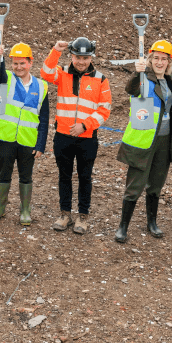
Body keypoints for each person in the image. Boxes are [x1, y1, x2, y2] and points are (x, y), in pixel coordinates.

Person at [42, 37, 112, 234]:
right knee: (64, 176)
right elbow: (46, 73)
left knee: (85, 177)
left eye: (85, 57)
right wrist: (55, 50)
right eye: (77, 57)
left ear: (91, 57)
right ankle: (65, 214)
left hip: (87, 138)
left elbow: (104, 109)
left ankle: (82, 215)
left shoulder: (100, 79)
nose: (81, 61)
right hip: (63, 136)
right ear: (71, 55)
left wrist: (85, 125)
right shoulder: (62, 73)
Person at [115, 40, 172, 243]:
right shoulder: (144, 79)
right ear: (150, 59)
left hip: (165, 141)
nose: (160, 62)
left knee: (156, 185)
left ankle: (151, 222)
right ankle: (123, 226)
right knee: (134, 186)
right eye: (156, 58)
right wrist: (137, 72)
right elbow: (130, 89)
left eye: (164, 59)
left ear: (169, 62)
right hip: (144, 141)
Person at [0, 43, 51, 226]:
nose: (19, 67)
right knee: (4, 173)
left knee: (26, 176)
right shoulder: (6, 78)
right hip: (5, 137)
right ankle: (0, 208)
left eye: (22, 63)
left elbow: (44, 118)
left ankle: (25, 210)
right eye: (15, 63)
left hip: (27, 140)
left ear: (30, 62)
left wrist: (40, 145)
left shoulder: (42, 86)